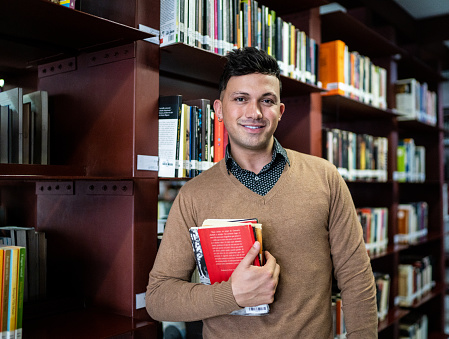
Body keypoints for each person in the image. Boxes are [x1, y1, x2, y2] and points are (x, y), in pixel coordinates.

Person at [146, 47, 378, 338]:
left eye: (266, 101)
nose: (254, 113)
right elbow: (159, 298)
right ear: (219, 110)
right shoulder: (193, 195)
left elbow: (357, 278)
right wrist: (232, 294)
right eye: (240, 99)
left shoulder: (325, 178)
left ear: (280, 112)